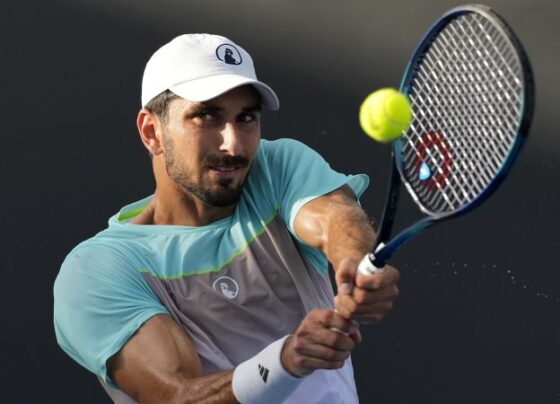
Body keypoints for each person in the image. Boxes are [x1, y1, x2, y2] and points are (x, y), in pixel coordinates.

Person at [53, 33, 400, 403]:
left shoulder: (276, 167)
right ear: (152, 132)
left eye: (246, 118)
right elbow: (175, 396)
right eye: (206, 116)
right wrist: (284, 362)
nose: (232, 145)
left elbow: (335, 218)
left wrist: (354, 265)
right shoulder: (98, 269)